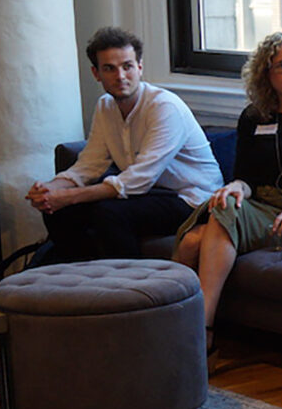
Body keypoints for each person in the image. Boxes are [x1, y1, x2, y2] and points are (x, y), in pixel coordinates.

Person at [173, 31, 282, 354]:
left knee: (203, 232)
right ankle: (178, 328)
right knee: (200, 230)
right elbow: (245, 179)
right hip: (257, 204)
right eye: (281, 66)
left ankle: (201, 330)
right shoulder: (254, 118)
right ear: (266, 74)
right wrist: (234, 186)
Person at [27, 26, 224, 262]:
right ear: (96, 73)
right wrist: (52, 188)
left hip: (193, 199)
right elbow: (89, 164)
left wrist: (70, 196)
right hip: (150, 195)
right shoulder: (105, 107)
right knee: (58, 211)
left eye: (127, 66)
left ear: (140, 68)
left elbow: (139, 178)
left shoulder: (164, 107)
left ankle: (129, 292)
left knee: (110, 213)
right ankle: (82, 283)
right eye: (109, 69)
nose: (120, 76)